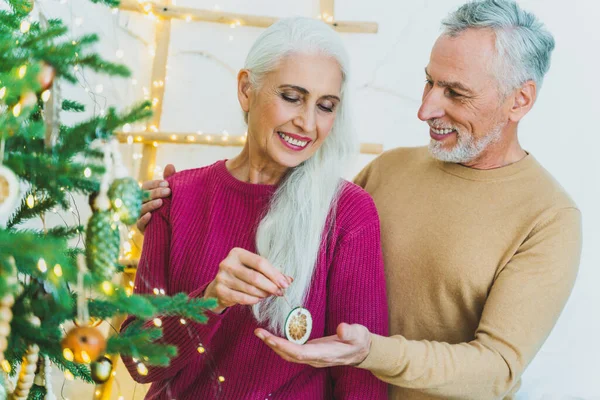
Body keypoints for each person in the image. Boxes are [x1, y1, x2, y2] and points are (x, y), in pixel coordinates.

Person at [140, 1, 582, 399]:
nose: (424, 109)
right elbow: (295, 219)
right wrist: (169, 222)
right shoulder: (388, 171)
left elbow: (498, 368)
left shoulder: (549, 217)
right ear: (246, 89)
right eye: (429, 82)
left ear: (519, 101)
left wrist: (371, 351)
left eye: (455, 93)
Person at [122, 16, 388, 400]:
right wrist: (209, 300)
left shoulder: (348, 214)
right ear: (247, 89)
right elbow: (138, 360)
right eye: (292, 97)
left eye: (326, 106)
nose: (307, 122)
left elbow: (361, 384)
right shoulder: (175, 197)